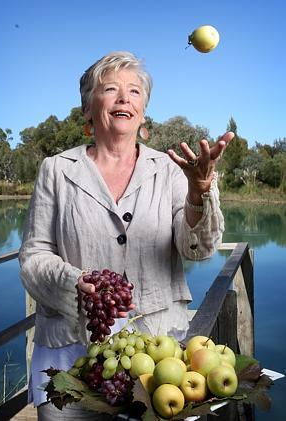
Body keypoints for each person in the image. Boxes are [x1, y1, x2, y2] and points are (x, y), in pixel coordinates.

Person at [19, 50, 234, 420]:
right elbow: (33, 257)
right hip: (70, 354)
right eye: (111, 89)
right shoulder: (55, 170)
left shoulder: (169, 170)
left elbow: (197, 250)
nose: (124, 98)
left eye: (134, 91)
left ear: (143, 111)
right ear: (88, 109)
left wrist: (198, 193)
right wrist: (75, 281)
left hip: (155, 356)